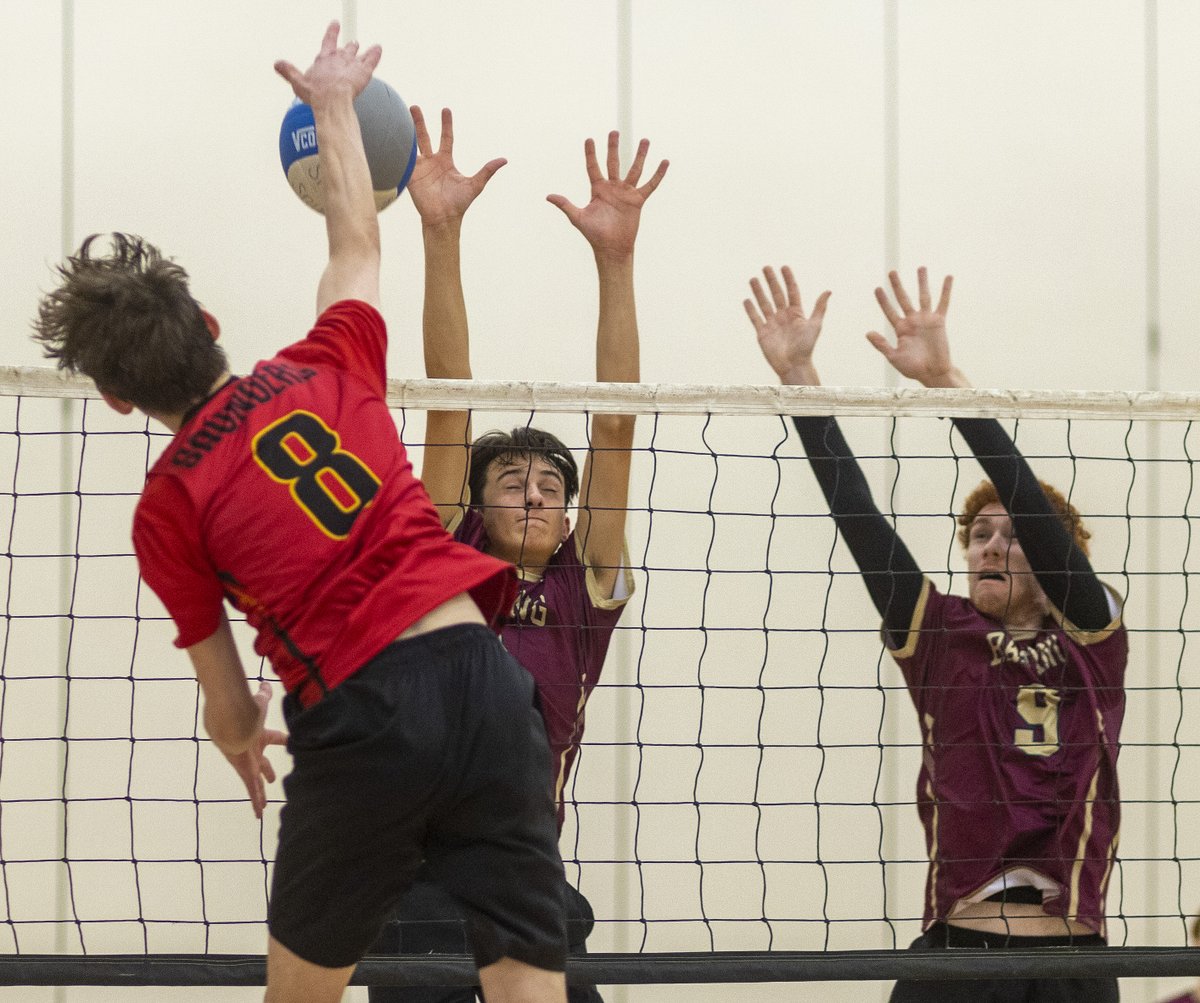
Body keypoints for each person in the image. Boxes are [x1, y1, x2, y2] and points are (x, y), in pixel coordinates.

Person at [32, 24, 568, 1003]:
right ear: (208, 326)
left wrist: (240, 735)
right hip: (489, 684)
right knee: (529, 990)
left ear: (115, 398)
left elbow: (230, 698)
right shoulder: (327, 362)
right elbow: (356, 239)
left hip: (367, 712)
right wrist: (332, 104)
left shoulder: (167, 505)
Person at [745, 265, 1126, 1003]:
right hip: (959, 959)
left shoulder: (1095, 636)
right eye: (978, 535)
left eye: (1012, 536)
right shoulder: (939, 631)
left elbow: (1036, 515)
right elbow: (858, 516)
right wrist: (799, 377)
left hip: (1071, 963)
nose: (990, 546)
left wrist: (950, 387)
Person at [367, 110, 667, 1003]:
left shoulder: (583, 581)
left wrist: (617, 262)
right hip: (419, 886)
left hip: (524, 875)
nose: (533, 494)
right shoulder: (444, 556)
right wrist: (440, 234)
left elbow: (616, 427)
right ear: (476, 500)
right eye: (511, 480)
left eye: (548, 485)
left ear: (569, 511)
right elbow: (449, 404)